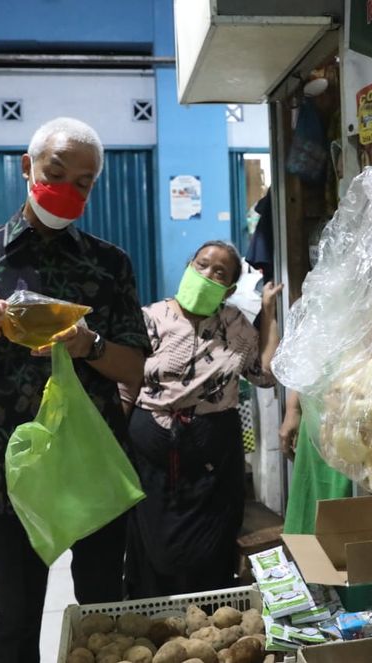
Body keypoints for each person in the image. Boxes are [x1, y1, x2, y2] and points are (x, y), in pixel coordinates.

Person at [0, 117, 150, 663]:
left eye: (85, 181)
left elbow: (133, 369)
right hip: (12, 466)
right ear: (28, 167)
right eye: (57, 173)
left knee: (105, 612)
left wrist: (90, 346)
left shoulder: (109, 263)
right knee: (15, 614)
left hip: (91, 460)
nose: (70, 189)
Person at [120, 241, 282, 598]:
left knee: (212, 543)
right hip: (150, 453)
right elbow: (126, 381)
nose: (208, 274)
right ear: (189, 266)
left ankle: (212, 612)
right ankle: (153, 614)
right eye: (202, 265)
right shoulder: (151, 317)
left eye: (220, 272)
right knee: (152, 543)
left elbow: (263, 374)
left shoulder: (236, 326)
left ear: (229, 289)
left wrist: (267, 315)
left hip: (214, 456)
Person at [280, 390, 353, 535]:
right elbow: (305, 366)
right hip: (318, 410)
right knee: (312, 515)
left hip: (371, 410)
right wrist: (293, 408)